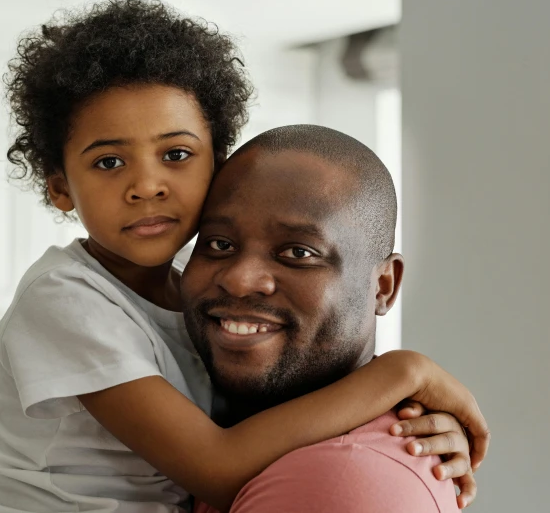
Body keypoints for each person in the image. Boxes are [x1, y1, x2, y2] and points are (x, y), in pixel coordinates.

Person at [0, 0, 489, 513]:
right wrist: (403, 375)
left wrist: (408, 420)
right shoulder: (65, 301)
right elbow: (216, 468)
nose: (146, 185)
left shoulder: (193, 279)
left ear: (217, 168)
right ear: (61, 189)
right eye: (109, 161)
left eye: (176, 155)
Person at [184, 125, 478, 512]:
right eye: (219, 244)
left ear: (383, 285)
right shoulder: (169, 373)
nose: (239, 280)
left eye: (299, 252)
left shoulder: (335, 481)